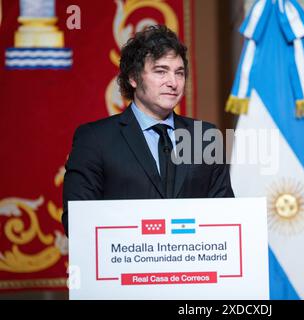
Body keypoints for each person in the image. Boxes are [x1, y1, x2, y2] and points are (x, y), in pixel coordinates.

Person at [62, 25, 234, 236]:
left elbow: (225, 218)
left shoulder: (205, 138)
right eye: (161, 71)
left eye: (179, 73)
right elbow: (78, 222)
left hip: (192, 265)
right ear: (133, 78)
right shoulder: (94, 139)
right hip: (123, 265)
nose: (173, 82)